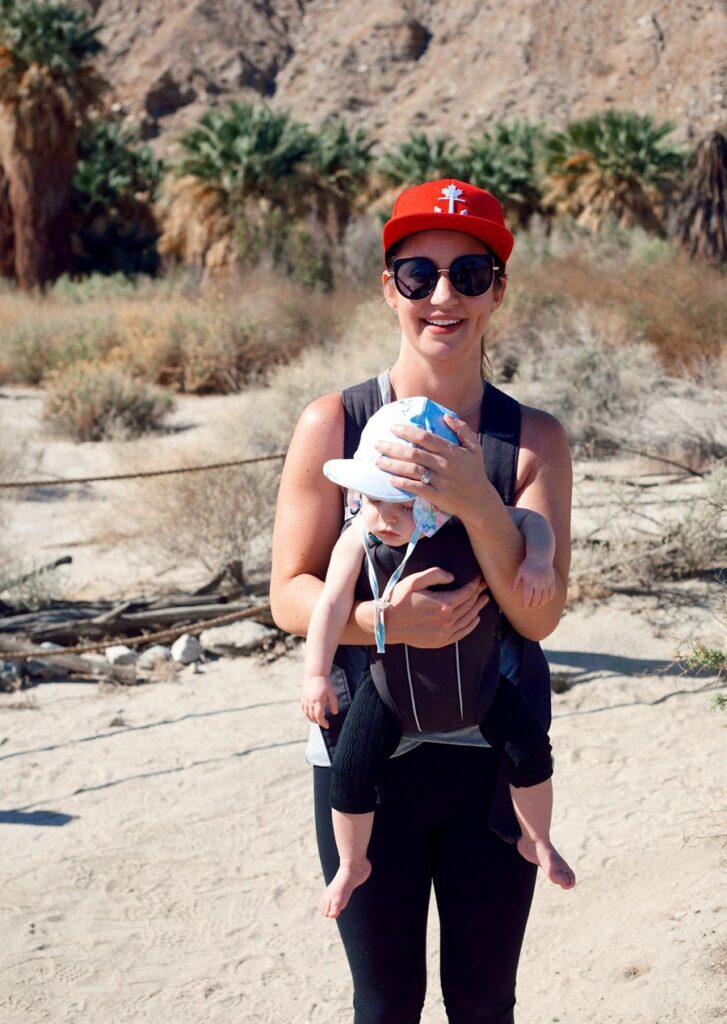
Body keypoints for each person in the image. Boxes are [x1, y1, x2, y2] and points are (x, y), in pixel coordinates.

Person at [271, 178, 573, 1024]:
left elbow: (539, 617)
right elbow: (290, 593)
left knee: (483, 1002)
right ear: (388, 287)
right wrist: (381, 622)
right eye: (417, 275)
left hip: (490, 760)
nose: (443, 297)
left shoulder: (532, 439)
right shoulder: (334, 423)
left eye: (469, 274)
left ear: (498, 291)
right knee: (386, 1002)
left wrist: (477, 498)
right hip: (365, 757)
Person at [300, 395, 575, 918]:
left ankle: (536, 839)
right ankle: (352, 862)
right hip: (389, 694)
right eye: (373, 499)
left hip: (481, 686)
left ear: (435, 500)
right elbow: (329, 605)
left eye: (401, 505)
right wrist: (316, 674)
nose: (382, 517)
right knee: (352, 770)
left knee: (531, 751)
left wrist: (539, 560)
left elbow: (533, 524)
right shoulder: (358, 538)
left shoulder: (470, 523)